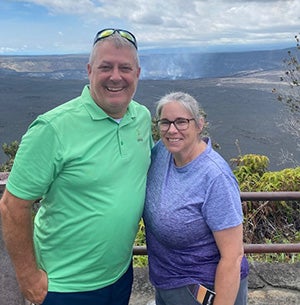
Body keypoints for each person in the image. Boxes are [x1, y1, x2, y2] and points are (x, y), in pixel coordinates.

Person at [0, 29, 153, 305]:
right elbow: (12, 206)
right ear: (89, 71)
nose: (116, 76)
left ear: (138, 73)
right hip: (65, 286)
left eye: (125, 68)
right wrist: (28, 278)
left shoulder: (141, 118)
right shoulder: (52, 128)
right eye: (105, 67)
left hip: (120, 275)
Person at [143, 91, 249, 305]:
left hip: (203, 289)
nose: (172, 130)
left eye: (181, 122)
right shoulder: (161, 153)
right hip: (166, 283)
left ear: (199, 124)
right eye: (165, 122)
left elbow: (233, 256)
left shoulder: (215, 177)